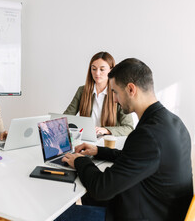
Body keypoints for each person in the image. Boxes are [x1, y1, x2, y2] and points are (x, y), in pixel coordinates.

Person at [59, 58, 193, 220]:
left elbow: (101, 189)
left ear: (131, 89)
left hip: (146, 214)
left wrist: (79, 161)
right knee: (87, 196)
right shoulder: (173, 122)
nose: (114, 99)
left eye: (115, 92)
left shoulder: (148, 135)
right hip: (159, 207)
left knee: (61, 213)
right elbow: (136, 158)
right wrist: (98, 151)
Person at [64, 52, 133, 136]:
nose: (97, 73)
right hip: (87, 141)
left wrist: (106, 130)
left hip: (108, 143)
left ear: (111, 70)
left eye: (102, 69)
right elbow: (65, 118)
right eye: (94, 69)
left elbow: (129, 128)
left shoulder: (119, 93)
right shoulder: (82, 91)